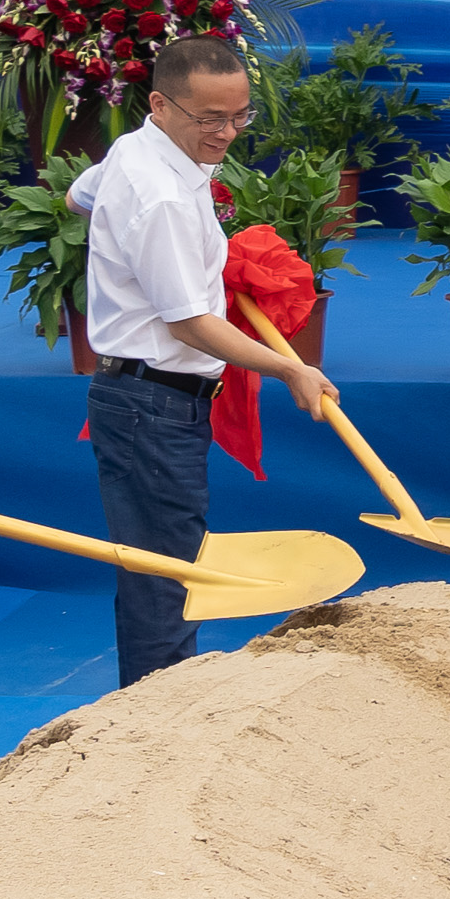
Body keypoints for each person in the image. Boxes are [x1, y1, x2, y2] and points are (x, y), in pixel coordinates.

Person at [75, 36, 336, 687]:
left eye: (239, 116)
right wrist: (290, 369)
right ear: (160, 105)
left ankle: (155, 713)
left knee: (165, 571)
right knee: (167, 580)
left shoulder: (138, 150)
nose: (227, 133)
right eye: (209, 120)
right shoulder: (159, 194)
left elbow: (84, 194)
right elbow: (189, 322)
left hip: (146, 401)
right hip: (152, 405)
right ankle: (154, 729)